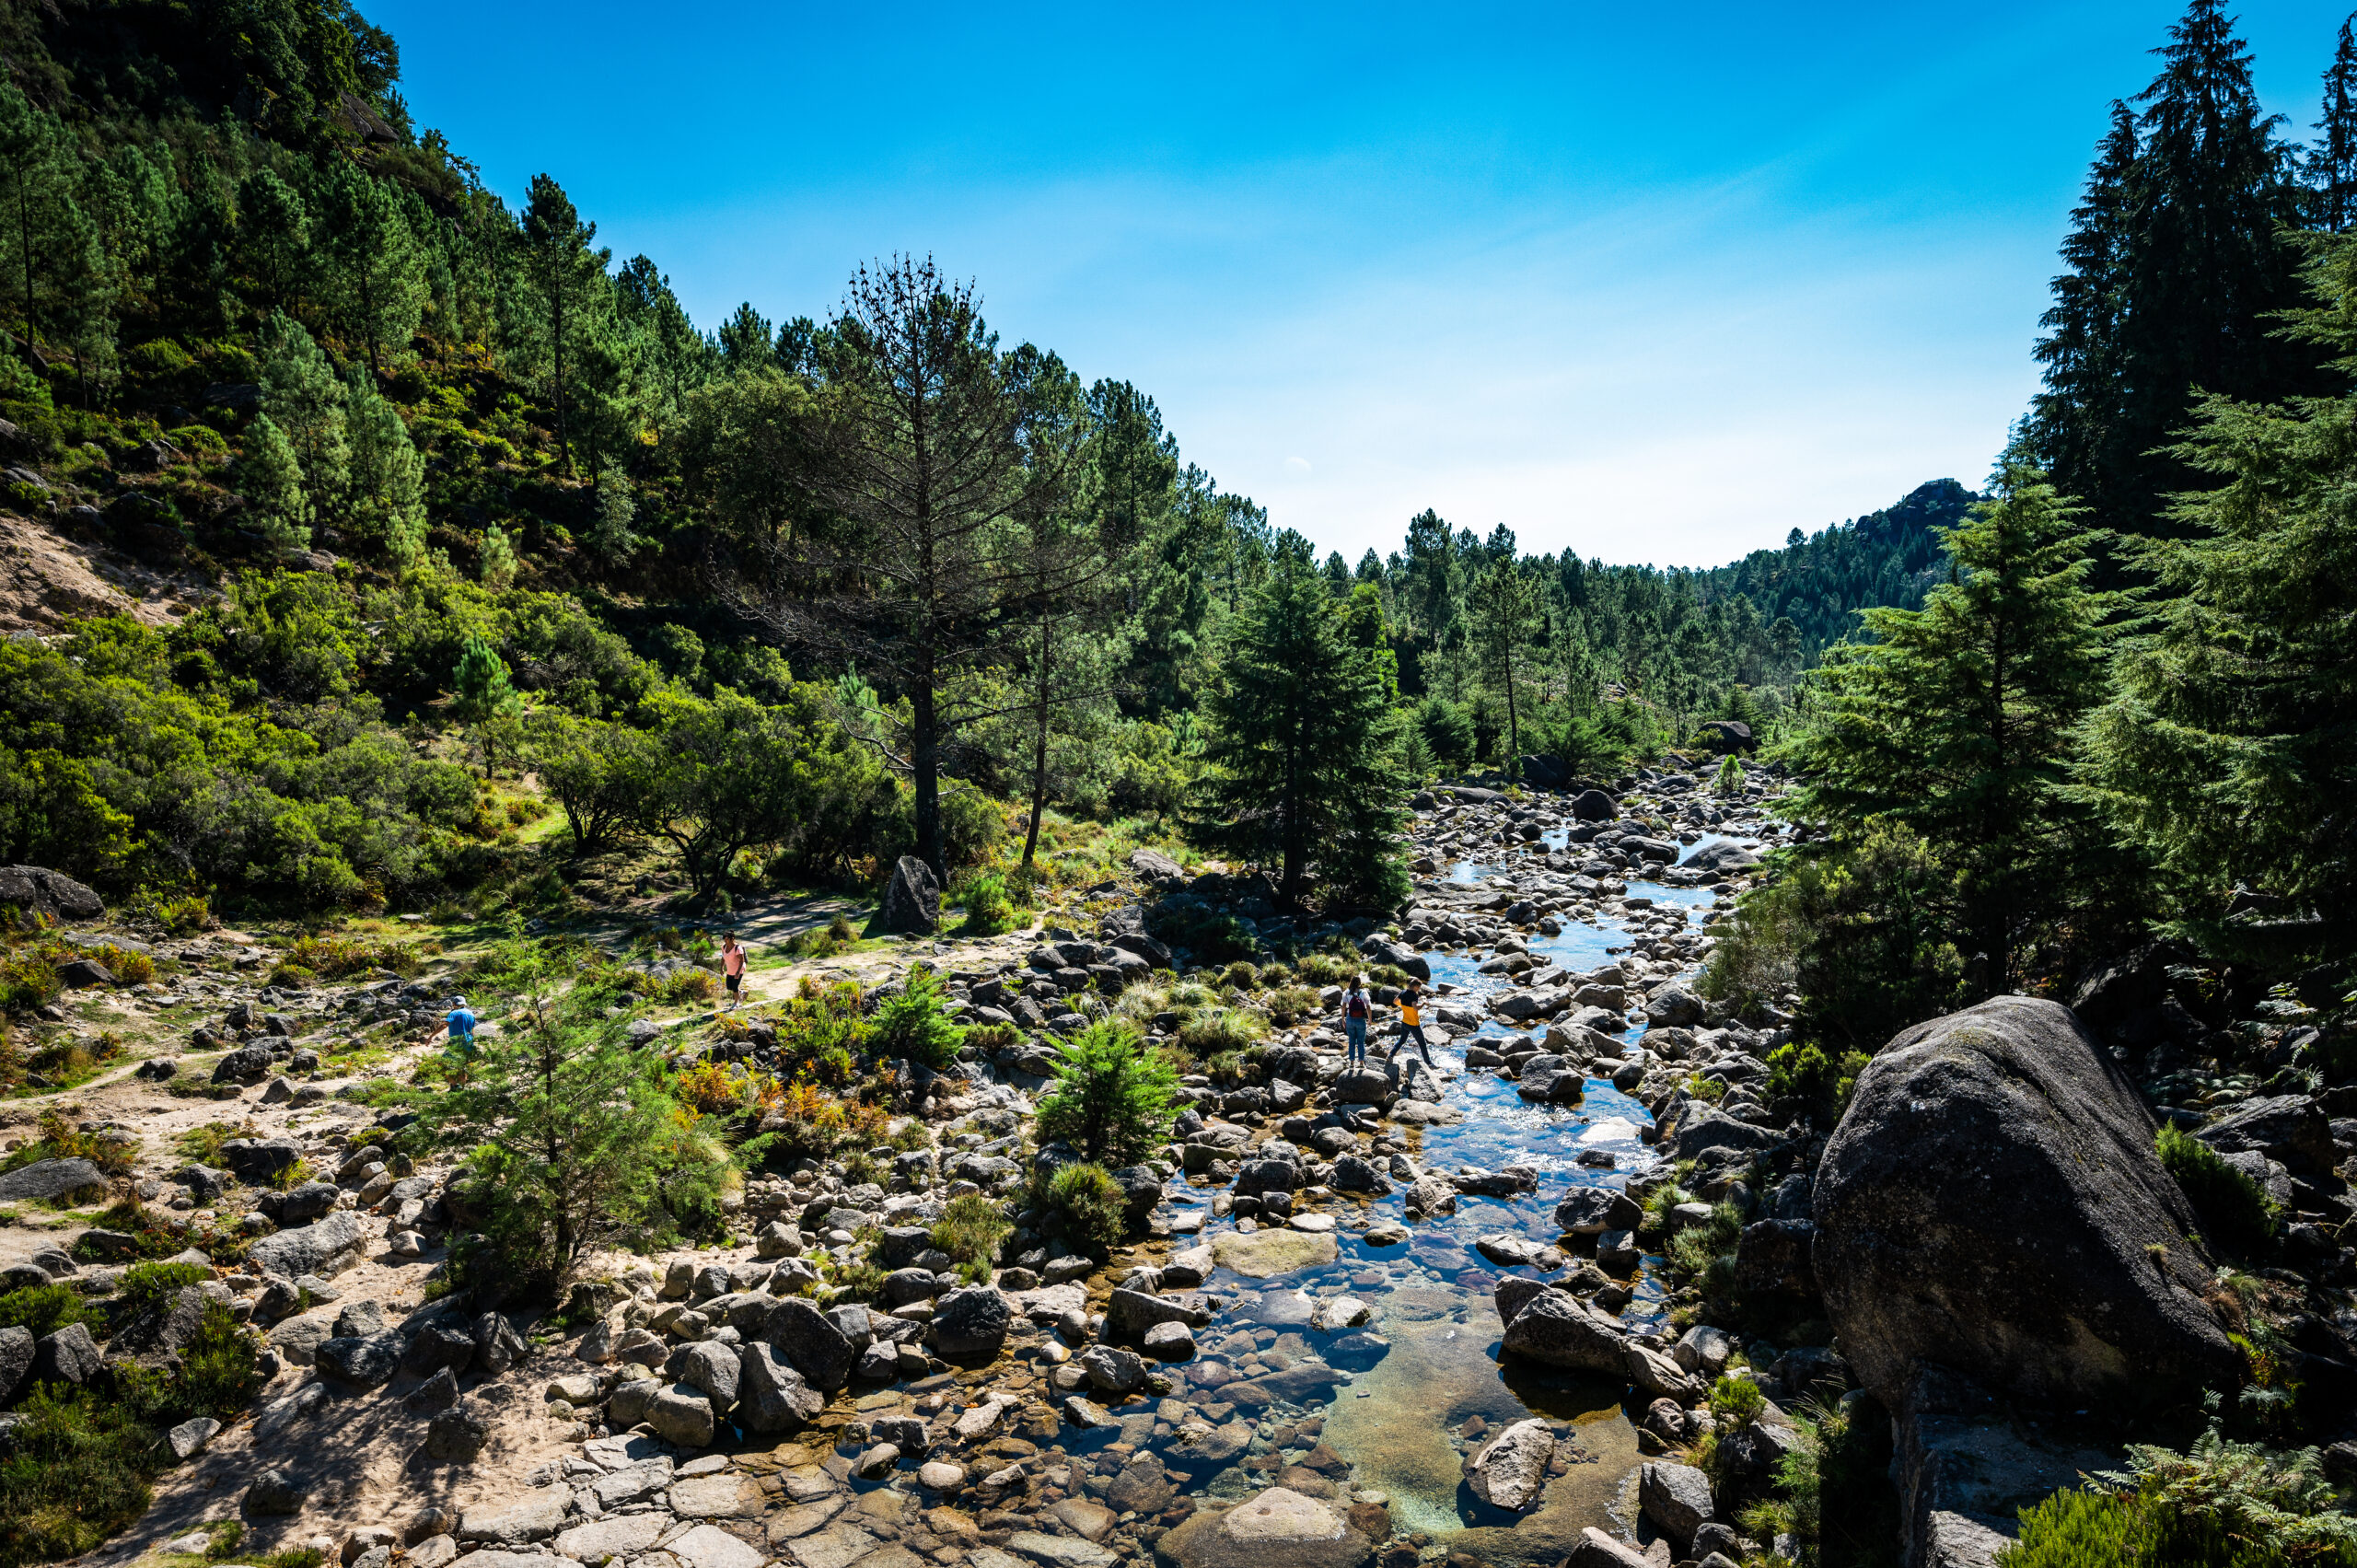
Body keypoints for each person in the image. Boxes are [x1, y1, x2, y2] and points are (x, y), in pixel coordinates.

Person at [1389, 979, 1434, 1065]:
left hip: (1405, 1022)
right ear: (1415, 986)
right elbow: (1416, 1008)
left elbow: (1395, 1001)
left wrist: (1403, 1005)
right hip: (1413, 1024)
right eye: (1419, 987)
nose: (1419, 989)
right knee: (1422, 1044)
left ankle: (1391, 1054)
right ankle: (1428, 1063)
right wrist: (1424, 1003)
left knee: (1402, 1040)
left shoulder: (1403, 992)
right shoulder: (1414, 995)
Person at [1342, 975, 1371, 1065]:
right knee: (1361, 1042)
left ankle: (1351, 1062)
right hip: (1360, 1020)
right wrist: (1370, 1019)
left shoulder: (1347, 992)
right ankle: (1361, 1063)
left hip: (1350, 1019)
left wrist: (1342, 1018)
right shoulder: (1363, 992)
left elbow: (1343, 1006)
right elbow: (1368, 1006)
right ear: (1359, 983)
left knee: (1351, 1041)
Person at [444, 995, 478, 1062]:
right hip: (469, 1042)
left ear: (454, 1004)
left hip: (456, 1042)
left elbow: (444, 1025)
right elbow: (472, 1030)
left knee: (445, 1062)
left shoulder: (453, 1013)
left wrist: (431, 1036)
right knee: (466, 1062)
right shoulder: (471, 1014)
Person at [720, 934, 747, 1011]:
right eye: (724, 940)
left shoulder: (738, 948)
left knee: (734, 987)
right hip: (730, 970)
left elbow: (742, 960)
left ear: (732, 939)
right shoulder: (724, 947)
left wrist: (738, 972)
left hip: (739, 969)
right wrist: (721, 967)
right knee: (729, 987)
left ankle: (736, 1003)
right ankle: (741, 992)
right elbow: (723, 957)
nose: (725, 941)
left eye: (727, 939)